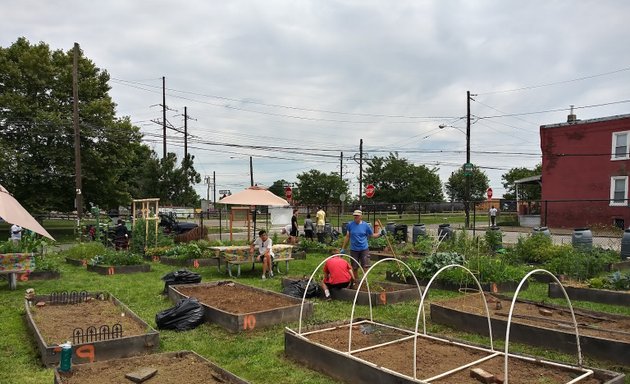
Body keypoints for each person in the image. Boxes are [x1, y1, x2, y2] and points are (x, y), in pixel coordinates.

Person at [340, 210, 384, 277]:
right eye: (354, 215)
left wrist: (380, 234)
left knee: (366, 266)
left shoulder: (365, 225)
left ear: (361, 216)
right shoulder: (350, 225)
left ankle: (365, 281)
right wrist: (343, 248)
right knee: (354, 267)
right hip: (354, 249)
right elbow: (347, 236)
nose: (355, 217)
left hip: (364, 249)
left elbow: (372, 235)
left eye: (357, 215)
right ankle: (356, 282)